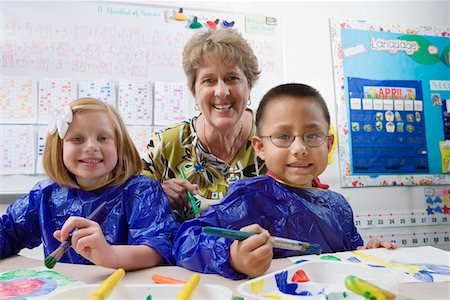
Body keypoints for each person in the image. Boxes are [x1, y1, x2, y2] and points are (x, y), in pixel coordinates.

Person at [173, 83, 398, 279]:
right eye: (283, 137)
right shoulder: (251, 198)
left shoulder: (338, 205)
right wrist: (232, 257)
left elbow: (349, 253)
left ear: (328, 144)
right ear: (260, 147)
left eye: (312, 136)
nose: (299, 149)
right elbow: (186, 240)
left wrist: (367, 251)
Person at [0, 98, 179, 270]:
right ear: (58, 147)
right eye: (77, 139)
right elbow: (7, 232)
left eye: (103, 138)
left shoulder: (141, 191)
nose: (91, 146)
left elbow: (158, 248)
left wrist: (110, 255)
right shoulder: (44, 195)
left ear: (120, 146)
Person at [142, 28, 266, 222]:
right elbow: (133, 210)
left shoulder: (274, 137)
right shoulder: (165, 146)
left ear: (248, 86)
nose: (221, 91)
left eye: (231, 78)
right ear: (194, 91)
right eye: (209, 81)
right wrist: (158, 197)